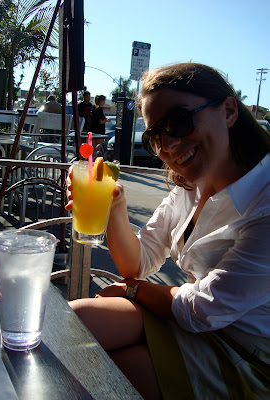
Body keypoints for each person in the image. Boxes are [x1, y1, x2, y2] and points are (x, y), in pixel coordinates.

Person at [65, 63, 270, 399]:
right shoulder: (190, 187)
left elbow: (201, 308)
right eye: (156, 135)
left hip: (248, 351)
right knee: (76, 321)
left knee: (107, 371)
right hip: (196, 322)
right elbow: (139, 262)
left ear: (229, 110)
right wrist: (116, 207)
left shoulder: (265, 201)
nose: (169, 146)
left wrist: (134, 291)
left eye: (179, 121)